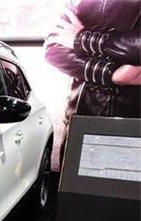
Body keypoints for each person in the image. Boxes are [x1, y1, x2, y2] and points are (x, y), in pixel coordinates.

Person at [44, 0, 140, 170]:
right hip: (81, 118)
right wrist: (110, 74)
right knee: (77, 184)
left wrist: (81, 38)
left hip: (133, 120)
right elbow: (53, 49)